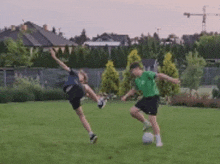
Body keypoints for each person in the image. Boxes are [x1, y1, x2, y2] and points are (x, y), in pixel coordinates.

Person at [50, 48, 106, 144]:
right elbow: (63, 65)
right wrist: (55, 57)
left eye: (83, 78)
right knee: (86, 91)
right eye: (82, 76)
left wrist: (96, 97)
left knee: (81, 115)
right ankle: (99, 102)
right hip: (73, 92)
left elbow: (88, 94)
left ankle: (91, 135)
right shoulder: (75, 74)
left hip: (71, 95)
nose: (81, 78)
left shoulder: (77, 79)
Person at [121, 62, 180, 147]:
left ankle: (159, 141)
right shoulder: (137, 80)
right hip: (145, 98)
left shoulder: (147, 74)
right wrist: (125, 96)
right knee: (133, 111)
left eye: (132, 71)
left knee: (152, 120)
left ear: (137, 69)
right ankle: (145, 123)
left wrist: (172, 80)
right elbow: (134, 89)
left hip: (153, 98)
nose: (132, 73)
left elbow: (160, 75)